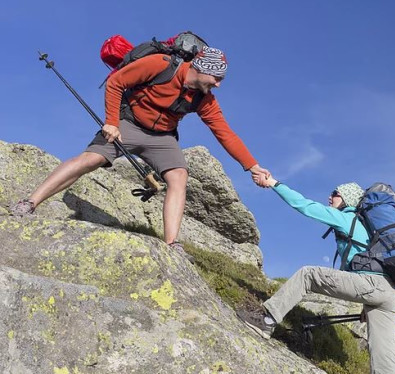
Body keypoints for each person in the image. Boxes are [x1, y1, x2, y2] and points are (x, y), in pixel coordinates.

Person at [10, 46, 269, 260]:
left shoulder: (205, 99)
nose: (219, 84)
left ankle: (171, 245)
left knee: (179, 176)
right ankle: (29, 203)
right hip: (128, 125)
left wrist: (253, 167)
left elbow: (225, 132)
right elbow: (116, 82)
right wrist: (111, 121)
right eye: (217, 78)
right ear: (202, 69)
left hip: (163, 138)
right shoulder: (160, 65)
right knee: (91, 159)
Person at [237, 174, 395, 374]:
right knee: (386, 360)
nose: (329, 198)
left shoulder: (346, 217)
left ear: (347, 199)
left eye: (335, 194)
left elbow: (304, 205)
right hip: (389, 293)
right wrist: (368, 302)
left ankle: (267, 321)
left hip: (370, 285)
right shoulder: (369, 230)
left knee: (308, 275)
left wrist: (273, 183)